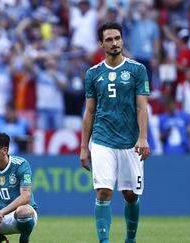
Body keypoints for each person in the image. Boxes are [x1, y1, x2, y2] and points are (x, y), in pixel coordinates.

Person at [79, 22, 150, 243]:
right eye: (109, 39)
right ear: (101, 44)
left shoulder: (137, 70)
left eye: (117, 38)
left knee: (130, 195)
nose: (114, 43)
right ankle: (104, 241)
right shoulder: (93, 74)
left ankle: (130, 239)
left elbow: (142, 107)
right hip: (102, 139)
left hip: (130, 141)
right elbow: (89, 111)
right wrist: (83, 147)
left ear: (122, 40)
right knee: (103, 191)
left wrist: (143, 137)